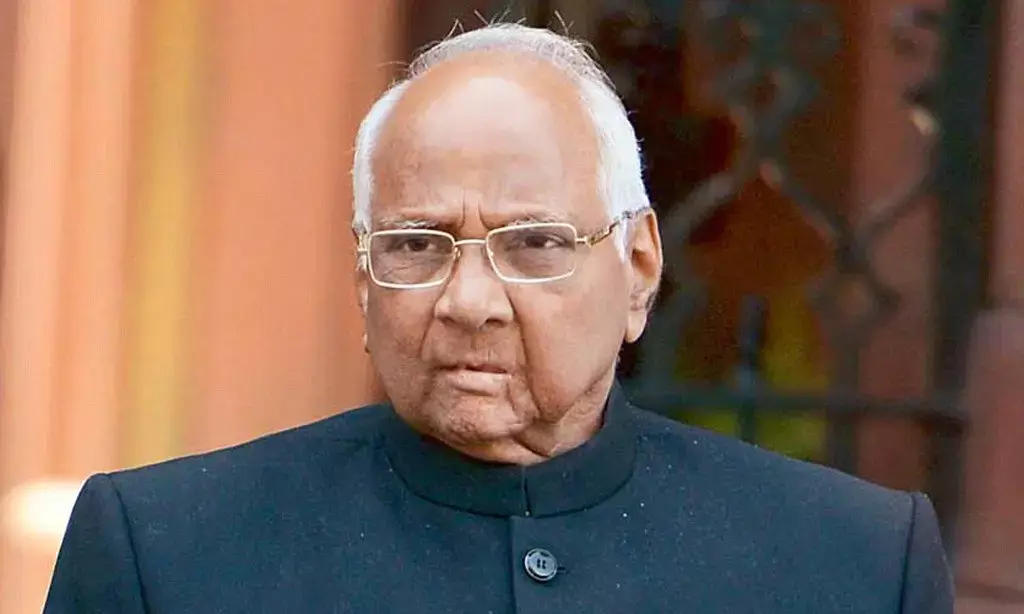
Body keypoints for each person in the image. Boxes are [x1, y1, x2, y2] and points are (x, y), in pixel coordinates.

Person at [44, 24, 953, 613]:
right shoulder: (164, 555)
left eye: (534, 243)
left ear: (639, 269)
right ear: (362, 280)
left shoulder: (856, 566)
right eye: (415, 245)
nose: (469, 303)